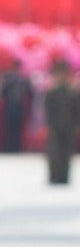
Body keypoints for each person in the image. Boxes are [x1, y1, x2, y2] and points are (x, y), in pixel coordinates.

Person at [45, 59, 77, 187]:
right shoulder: (51, 92)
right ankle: (54, 176)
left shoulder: (73, 92)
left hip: (69, 125)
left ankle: (64, 177)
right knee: (54, 151)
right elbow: (47, 110)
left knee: (67, 151)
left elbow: (77, 110)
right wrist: (50, 124)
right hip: (55, 126)